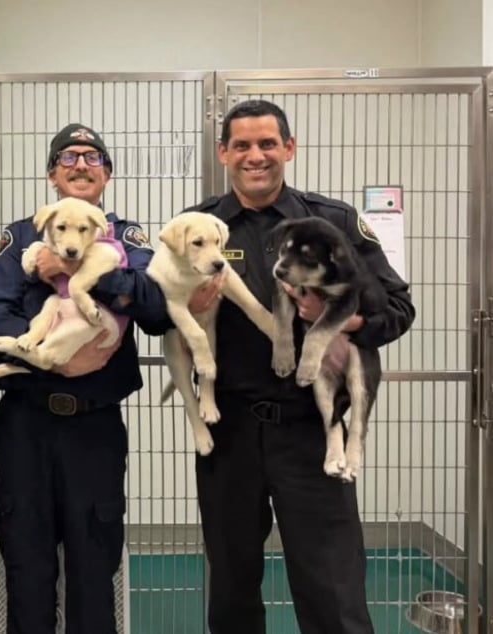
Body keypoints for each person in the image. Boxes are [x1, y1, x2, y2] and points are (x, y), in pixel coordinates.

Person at [186, 99, 415, 634]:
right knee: (231, 589)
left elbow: (398, 308)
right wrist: (185, 309)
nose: (256, 155)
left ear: (289, 148)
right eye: (242, 145)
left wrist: (344, 322)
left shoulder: (333, 222)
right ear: (223, 153)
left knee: (333, 591)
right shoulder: (203, 226)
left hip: (311, 432)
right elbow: (160, 313)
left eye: (268, 143)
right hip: (231, 433)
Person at [0, 123, 170, 634]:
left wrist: (81, 270)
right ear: (52, 175)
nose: (81, 165)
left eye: (93, 157)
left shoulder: (125, 237)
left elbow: (157, 306)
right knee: (26, 566)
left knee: (94, 569)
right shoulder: (21, 237)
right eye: (68, 157)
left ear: (107, 175)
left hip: (95, 426)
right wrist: (51, 360)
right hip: (27, 424)